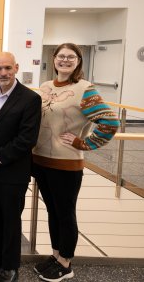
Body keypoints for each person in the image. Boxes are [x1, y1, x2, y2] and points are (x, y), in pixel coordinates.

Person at [32, 43, 119, 282]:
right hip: (41, 161)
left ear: (78, 61)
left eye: (71, 57)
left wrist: (84, 143)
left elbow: (110, 122)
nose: (65, 61)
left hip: (66, 163)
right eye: (61, 56)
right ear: (54, 58)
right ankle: (56, 255)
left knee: (65, 213)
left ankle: (66, 263)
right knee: (52, 212)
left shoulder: (85, 89)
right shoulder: (45, 87)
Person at [0, 52, 42, 282]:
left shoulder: (30, 99)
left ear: (16, 68)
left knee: (11, 219)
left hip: (12, 171)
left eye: (7, 68)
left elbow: (27, 139)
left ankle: (10, 266)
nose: (3, 73)